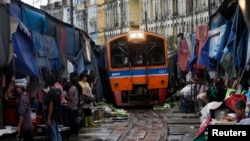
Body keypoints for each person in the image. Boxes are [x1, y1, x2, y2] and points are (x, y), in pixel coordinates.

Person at [44, 73, 62, 141]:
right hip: (57, 114)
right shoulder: (58, 90)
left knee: (53, 133)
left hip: (52, 115)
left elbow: (51, 105)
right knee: (57, 131)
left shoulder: (50, 92)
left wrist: (48, 118)